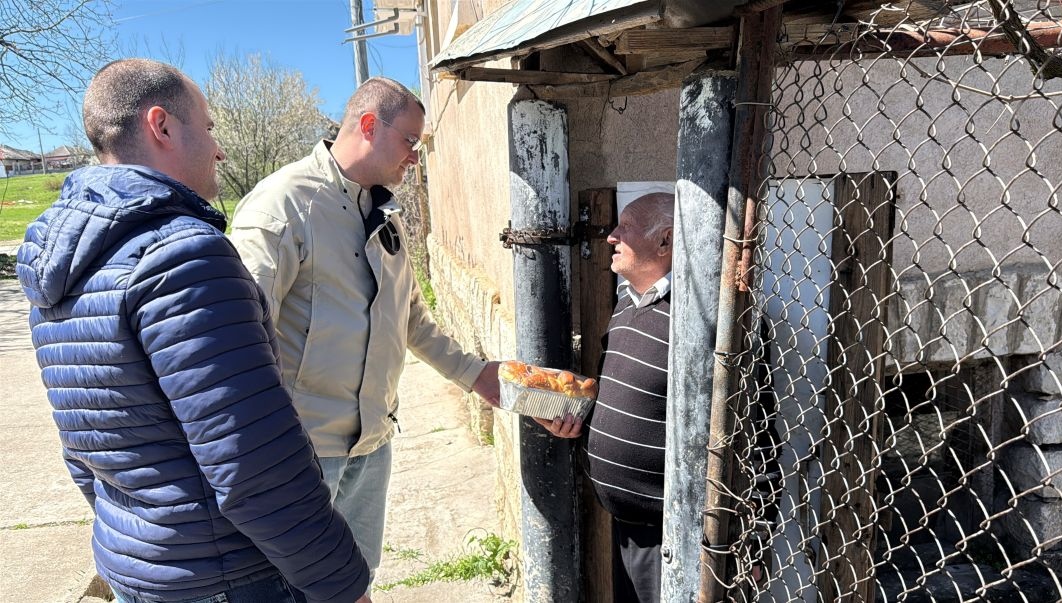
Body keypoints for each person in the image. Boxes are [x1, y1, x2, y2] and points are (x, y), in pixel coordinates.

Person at [16, 59, 372, 603]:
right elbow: (254, 465)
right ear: (161, 126)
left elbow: (86, 452)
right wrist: (342, 584)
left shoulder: (61, 265)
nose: (219, 150)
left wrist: (144, 546)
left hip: (139, 570)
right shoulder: (183, 256)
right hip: (230, 579)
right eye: (207, 127)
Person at [229, 76, 501, 586]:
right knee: (296, 589)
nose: (415, 157)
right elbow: (240, 340)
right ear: (370, 125)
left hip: (371, 446)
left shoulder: (383, 213)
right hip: (303, 455)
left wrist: (475, 375)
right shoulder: (283, 208)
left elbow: (410, 318)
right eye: (410, 141)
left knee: (356, 581)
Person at [537, 192, 674, 603]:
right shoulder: (627, 303)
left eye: (626, 227)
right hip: (626, 523)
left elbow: (750, 430)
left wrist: (751, 534)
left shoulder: (703, 319)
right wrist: (572, 416)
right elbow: (630, 397)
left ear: (665, 241)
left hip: (673, 534)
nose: (611, 236)